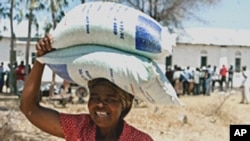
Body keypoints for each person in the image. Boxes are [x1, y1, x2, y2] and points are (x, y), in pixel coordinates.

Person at [20, 34, 153, 141]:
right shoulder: (79, 128)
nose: (100, 104)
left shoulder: (140, 139)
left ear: (124, 104)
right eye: (95, 97)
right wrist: (41, 59)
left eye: (110, 99)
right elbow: (29, 108)